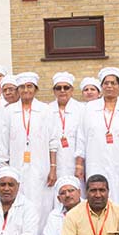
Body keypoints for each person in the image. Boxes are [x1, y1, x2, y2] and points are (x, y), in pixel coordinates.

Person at [0, 73, 58, 235]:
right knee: (18, 203)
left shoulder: (45, 110)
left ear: (35, 89)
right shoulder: (9, 111)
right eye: (22, 87)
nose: (26, 90)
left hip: (41, 165)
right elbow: (2, 141)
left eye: (29, 86)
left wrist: (53, 168)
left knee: (41, 203)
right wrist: (3, 168)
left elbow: (53, 141)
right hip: (16, 166)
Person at [75, 67, 119, 206]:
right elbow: (81, 137)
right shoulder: (90, 108)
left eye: (113, 83)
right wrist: (79, 165)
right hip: (95, 161)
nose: (109, 86)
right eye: (106, 83)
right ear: (101, 86)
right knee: (97, 194)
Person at [50, 73, 85, 204]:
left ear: (72, 90)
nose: (62, 91)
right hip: (56, 162)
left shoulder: (82, 109)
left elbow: (83, 138)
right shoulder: (47, 110)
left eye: (66, 87)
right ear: (54, 91)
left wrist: (79, 165)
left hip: (76, 162)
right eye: (58, 88)